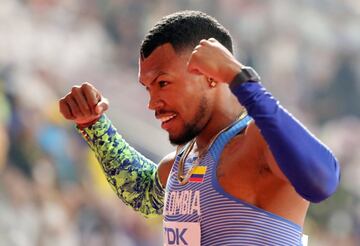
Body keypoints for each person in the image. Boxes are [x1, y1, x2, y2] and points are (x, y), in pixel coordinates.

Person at [59, 10, 340, 246]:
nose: (152, 102)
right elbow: (142, 191)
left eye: (163, 83)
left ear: (210, 76)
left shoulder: (257, 143)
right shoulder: (183, 163)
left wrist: (241, 80)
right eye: (147, 88)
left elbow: (323, 181)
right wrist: (94, 126)